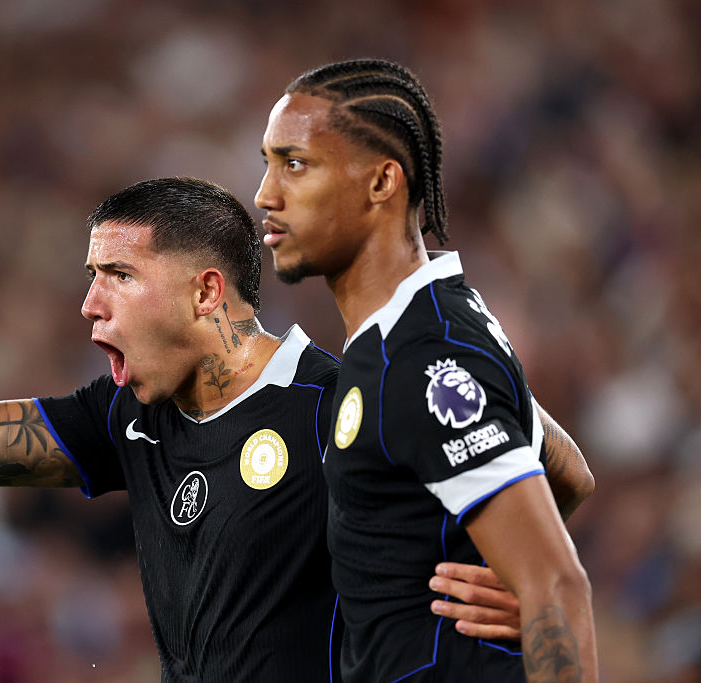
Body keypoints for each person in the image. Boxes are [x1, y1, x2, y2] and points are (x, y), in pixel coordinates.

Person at [0, 177, 538, 682]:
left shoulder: (342, 404)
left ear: (206, 291)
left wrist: (526, 583)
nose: (89, 304)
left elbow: (545, 466)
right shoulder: (131, 416)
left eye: (119, 275)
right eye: (90, 276)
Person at [255, 59, 598, 681]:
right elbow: (568, 471)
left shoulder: (424, 357)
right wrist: (516, 572)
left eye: (295, 164)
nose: (266, 194)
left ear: (382, 182)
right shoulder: (415, 330)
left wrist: (539, 586)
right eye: (268, 163)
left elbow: (561, 584)